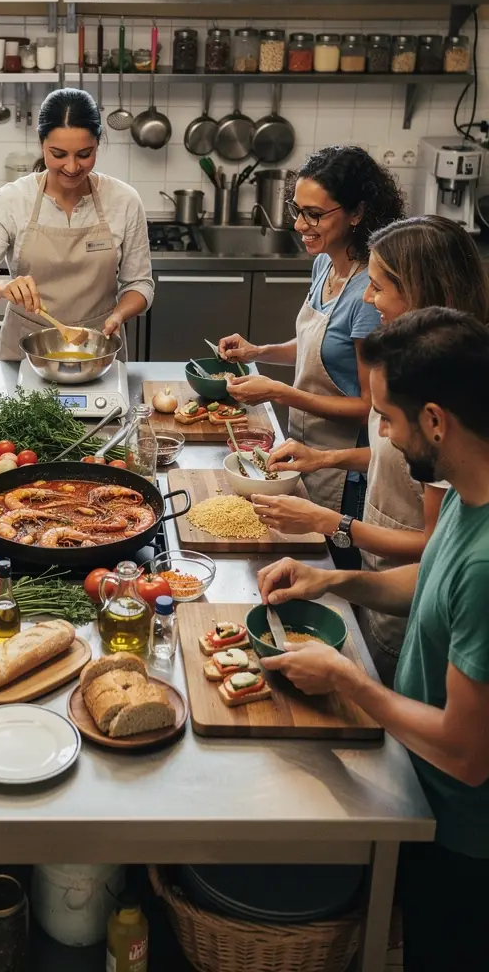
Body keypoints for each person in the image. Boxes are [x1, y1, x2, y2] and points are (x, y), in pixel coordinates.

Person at [256, 308, 489, 972]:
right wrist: (331, 583)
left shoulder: (487, 563)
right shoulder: (475, 493)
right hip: (420, 778)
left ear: (437, 421)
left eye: (386, 417)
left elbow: (469, 754)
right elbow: (428, 580)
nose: (380, 431)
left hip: (461, 830)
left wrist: (350, 682)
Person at [256, 216, 489, 684]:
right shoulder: (419, 393)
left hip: (406, 615)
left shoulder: (453, 413)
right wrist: (325, 458)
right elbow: (398, 460)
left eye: (378, 287)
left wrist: (333, 524)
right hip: (388, 585)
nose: (367, 297)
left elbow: (430, 552)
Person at [218, 145, 404, 560]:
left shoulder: (367, 297)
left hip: (346, 470)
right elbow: (317, 347)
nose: (301, 224)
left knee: (332, 562)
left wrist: (279, 393)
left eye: (315, 214)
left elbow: (368, 408)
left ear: (356, 213)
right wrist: (259, 350)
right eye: (297, 209)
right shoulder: (325, 263)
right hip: (303, 446)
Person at [0, 88, 153, 360]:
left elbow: (140, 285)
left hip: (99, 347)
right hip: (26, 351)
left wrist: (118, 315)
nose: (72, 167)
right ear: (41, 143)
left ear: (98, 143)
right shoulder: (11, 200)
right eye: (58, 154)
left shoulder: (124, 200)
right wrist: (0, 287)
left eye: (84, 154)